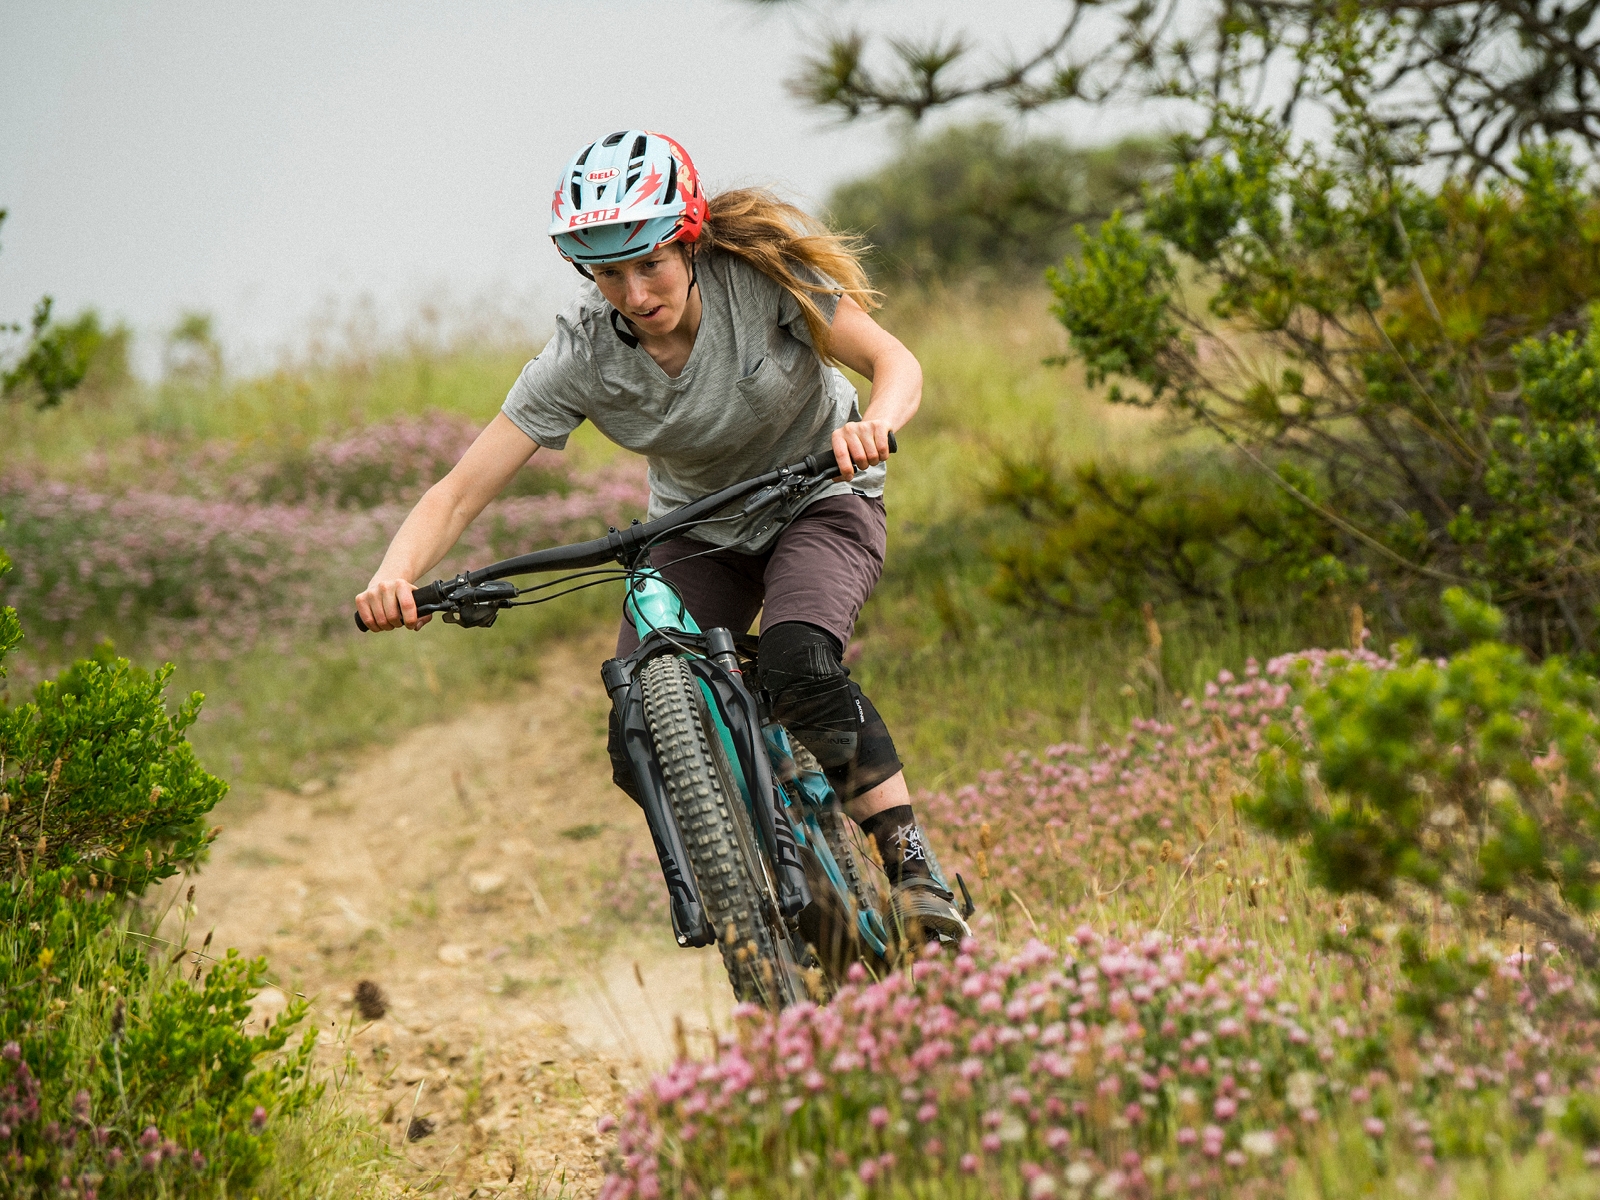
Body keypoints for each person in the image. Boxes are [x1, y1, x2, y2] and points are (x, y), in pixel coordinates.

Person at [355, 129, 967, 941]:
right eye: (610, 273)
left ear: (687, 240)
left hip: (821, 495)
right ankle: (754, 876)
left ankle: (912, 867)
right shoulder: (580, 354)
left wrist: (874, 426)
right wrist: (394, 576)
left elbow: (895, 363)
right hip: (699, 524)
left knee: (798, 660)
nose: (636, 292)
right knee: (634, 724)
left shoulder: (759, 282)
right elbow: (460, 491)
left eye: (650, 264)